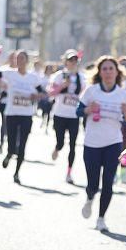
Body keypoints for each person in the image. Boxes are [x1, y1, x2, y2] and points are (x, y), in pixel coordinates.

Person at [77, 56, 126, 232]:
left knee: (108, 182)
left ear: (117, 72)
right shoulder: (92, 91)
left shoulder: (123, 94)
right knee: (93, 183)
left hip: (113, 143)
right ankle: (90, 197)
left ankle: (101, 218)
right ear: (99, 72)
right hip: (92, 142)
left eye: (111, 69)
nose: (108, 72)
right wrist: (88, 109)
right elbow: (78, 111)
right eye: (105, 69)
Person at [0, 50, 46, 184]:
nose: (19, 60)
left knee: (22, 146)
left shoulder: (33, 77)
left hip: (26, 115)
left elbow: (43, 93)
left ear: (27, 61)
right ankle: (9, 154)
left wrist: (36, 96)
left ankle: (16, 173)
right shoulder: (9, 73)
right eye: (17, 58)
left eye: (22, 58)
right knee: (12, 143)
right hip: (12, 114)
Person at [48, 50, 86, 184]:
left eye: (75, 60)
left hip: (73, 116)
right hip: (59, 114)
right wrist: (62, 86)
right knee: (61, 142)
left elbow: (85, 95)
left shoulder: (82, 78)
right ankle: (57, 148)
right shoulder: (59, 76)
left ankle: (69, 173)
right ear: (65, 62)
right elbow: (51, 93)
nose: (73, 63)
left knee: (73, 145)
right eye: (70, 60)